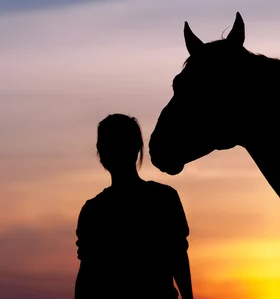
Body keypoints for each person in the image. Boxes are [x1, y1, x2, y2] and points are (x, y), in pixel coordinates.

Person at [74, 114, 194, 299]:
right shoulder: (164, 198)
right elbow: (177, 257)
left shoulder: (93, 211)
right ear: (138, 148)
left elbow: (86, 277)